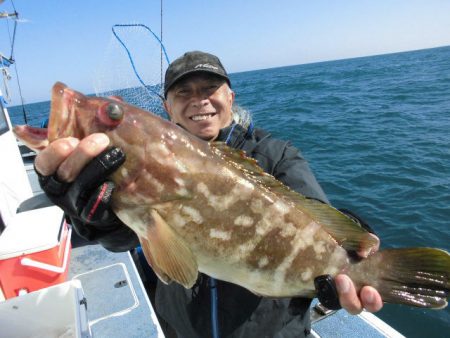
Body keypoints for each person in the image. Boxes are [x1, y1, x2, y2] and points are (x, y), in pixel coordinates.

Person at [35, 51, 383, 337]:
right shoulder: (136, 165)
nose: (199, 100)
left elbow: (314, 208)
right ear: (167, 107)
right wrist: (91, 217)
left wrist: (351, 238)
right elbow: (124, 238)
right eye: (183, 93)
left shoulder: (276, 154)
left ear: (230, 96)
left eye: (210, 88)